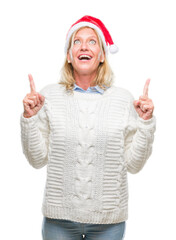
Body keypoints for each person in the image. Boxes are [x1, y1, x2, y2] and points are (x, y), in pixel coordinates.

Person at [20, 15, 156, 240]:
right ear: (69, 55)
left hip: (108, 223)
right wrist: (29, 118)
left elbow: (134, 165)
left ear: (102, 55)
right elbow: (37, 160)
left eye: (92, 41)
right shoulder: (48, 96)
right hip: (58, 222)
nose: (84, 46)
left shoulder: (124, 100)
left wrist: (145, 123)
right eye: (77, 41)